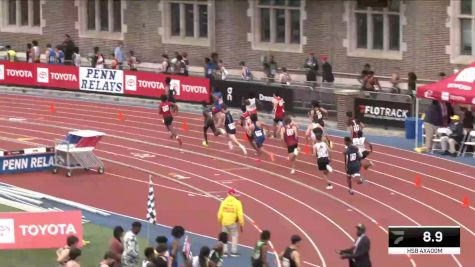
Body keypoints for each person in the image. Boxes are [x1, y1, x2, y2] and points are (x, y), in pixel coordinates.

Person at [217, 188, 244, 257]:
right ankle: (233, 252)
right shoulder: (237, 202)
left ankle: (225, 252)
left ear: (228, 194)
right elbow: (240, 214)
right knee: (234, 236)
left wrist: (220, 221)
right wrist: (241, 224)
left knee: (224, 236)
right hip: (232, 222)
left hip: (224, 222)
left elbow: (220, 213)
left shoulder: (224, 202)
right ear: (233, 194)